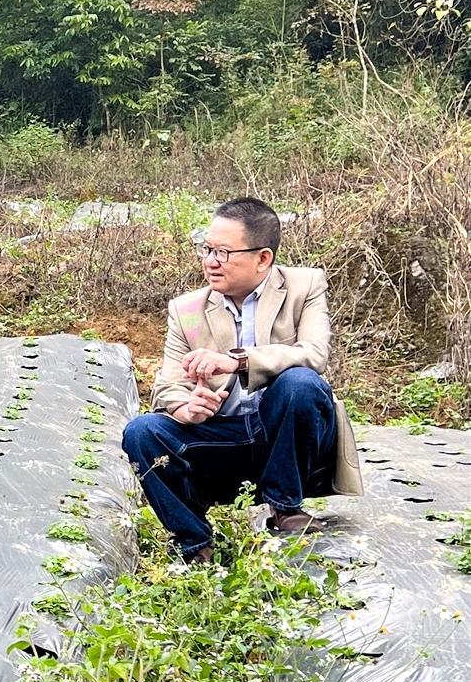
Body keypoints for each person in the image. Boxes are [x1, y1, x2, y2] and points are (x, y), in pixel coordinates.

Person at [121, 197, 362, 563]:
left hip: (285, 442)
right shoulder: (186, 309)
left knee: (300, 383)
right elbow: (167, 386)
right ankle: (194, 543)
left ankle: (285, 507)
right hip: (223, 442)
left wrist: (238, 362)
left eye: (223, 252)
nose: (210, 261)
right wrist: (187, 409)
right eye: (207, 249)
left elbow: (315, 353)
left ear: (263, 258)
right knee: (141, 431)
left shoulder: (304, 286)